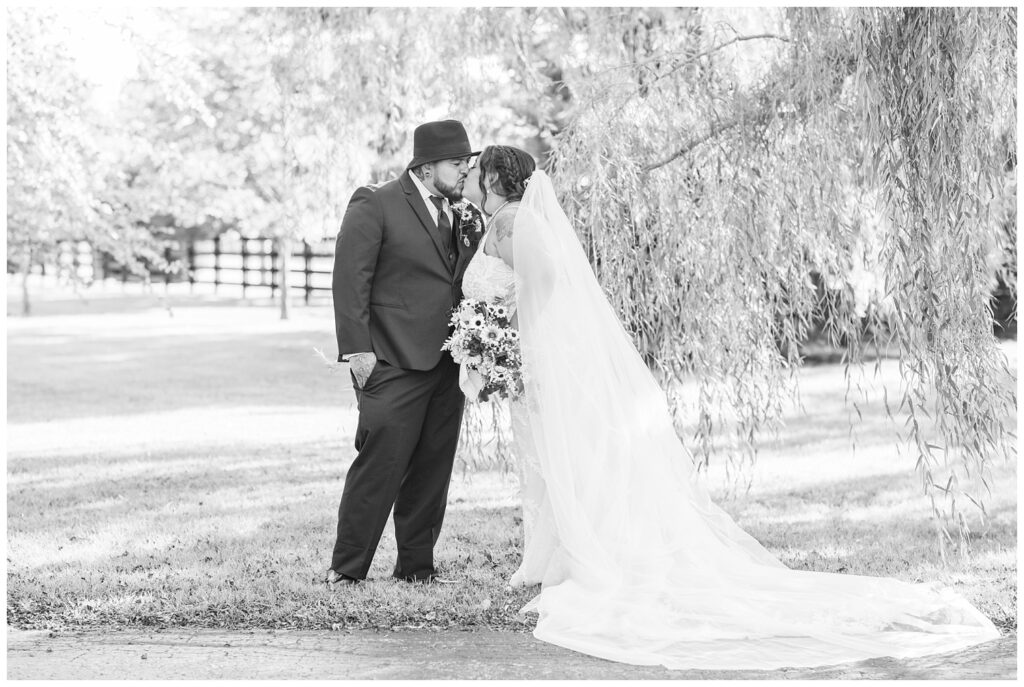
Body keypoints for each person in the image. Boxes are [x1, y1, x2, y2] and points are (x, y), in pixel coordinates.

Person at [458, 145, 1001, 670]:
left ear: (495, 178)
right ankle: (553, 554)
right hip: (530, 366)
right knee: (550, 458)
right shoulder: (503, 223)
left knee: (565, 457)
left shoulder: (514, 224)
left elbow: (546, 283)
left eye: (477, 172)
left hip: (539, 362)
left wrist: (510, 337)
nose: (472, 180)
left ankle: (580, 553)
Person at [327, 120, 482, 585]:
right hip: (391, 360)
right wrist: (358, 352)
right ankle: (347, 568)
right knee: (380, 465)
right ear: (427, 164)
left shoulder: (464, 213)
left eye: (467, 164)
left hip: (448, 363)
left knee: (432, 470)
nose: (463, 171)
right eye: (457, 163)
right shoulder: (376, 202)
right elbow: (350, 279)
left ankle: (416, 567)